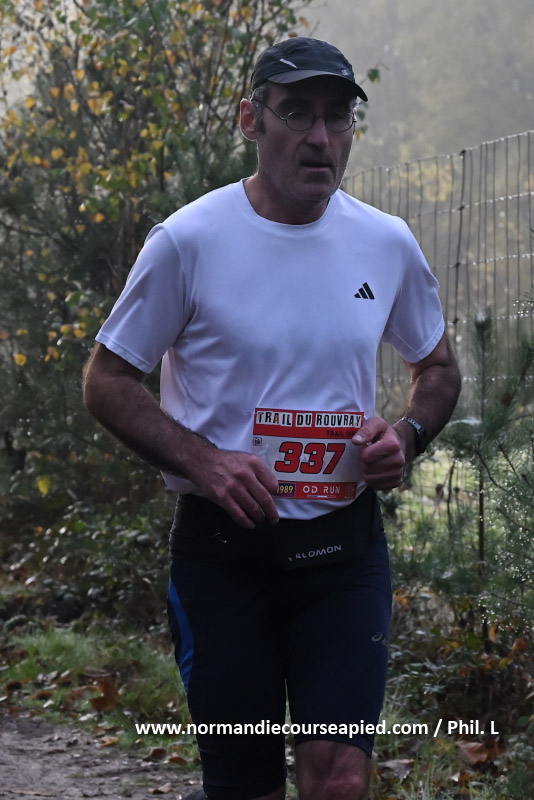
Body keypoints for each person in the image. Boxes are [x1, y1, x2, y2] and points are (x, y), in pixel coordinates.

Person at [83, 36, 461, 800]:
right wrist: (205, 461)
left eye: (337, 117)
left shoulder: (385, 243)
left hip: (343, 558)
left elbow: (439, 369)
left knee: (340, 779)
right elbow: (107, 380)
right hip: (224, 562)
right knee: (245, 785)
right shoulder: (188, 241)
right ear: (251, 120)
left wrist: (406, 435)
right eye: (297, 114)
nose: (320, 137)